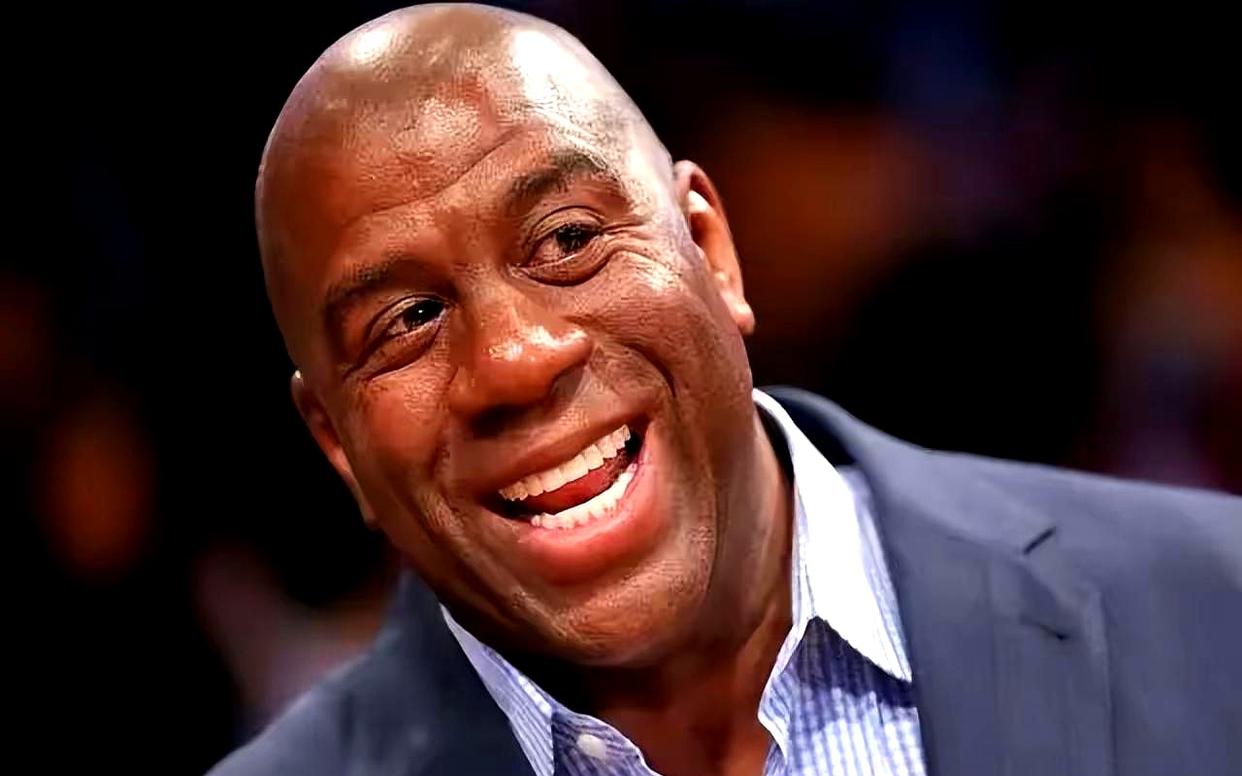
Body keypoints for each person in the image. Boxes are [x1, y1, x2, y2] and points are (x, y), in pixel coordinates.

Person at [211, 5, 1241, 775]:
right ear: (336, 444)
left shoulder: (1213, 607)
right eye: (406, 321)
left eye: (567, 239)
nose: (516, 358)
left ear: (711, 250)